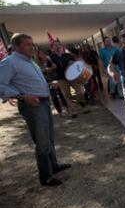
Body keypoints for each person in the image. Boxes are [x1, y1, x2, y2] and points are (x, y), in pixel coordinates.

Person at [0, 33, 71, 186]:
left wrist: (49, 84)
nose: (31, 47)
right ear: (16, 46)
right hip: (32, 106)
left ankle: (54, 166)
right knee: (42, 142)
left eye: (32, 44)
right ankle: (45, 176)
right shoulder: (10, 62)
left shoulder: (31, 62)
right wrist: (22, 96)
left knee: (49, 137)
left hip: (44, 103)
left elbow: (32, 81)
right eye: (27, 44)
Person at [50, 41, 86, 118]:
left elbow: (75, 63)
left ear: (61, 46)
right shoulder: (51, 57)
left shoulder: (67, 55)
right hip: (61, 79)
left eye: (58, 45)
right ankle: (73, 112)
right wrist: (52, 68)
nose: (57, 47)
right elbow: (49, 68)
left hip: (72, 77)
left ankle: (79, 101)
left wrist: (72, 63)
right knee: (67, 95)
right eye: (55, 46)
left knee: (81, 91)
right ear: (53, 48)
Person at [37, 49, 67, 116]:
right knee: (54, 97)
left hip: (56, 80)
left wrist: (48, 69)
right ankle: (60, 111)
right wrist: (46, 70)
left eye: (43, 53)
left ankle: (67, 107)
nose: (42, 55)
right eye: (40, 54)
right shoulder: (39, 63)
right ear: (39, 55)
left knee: (62, 94)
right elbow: (40, 71)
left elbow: (55, 66)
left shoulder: (50, 60)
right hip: (48, 82)